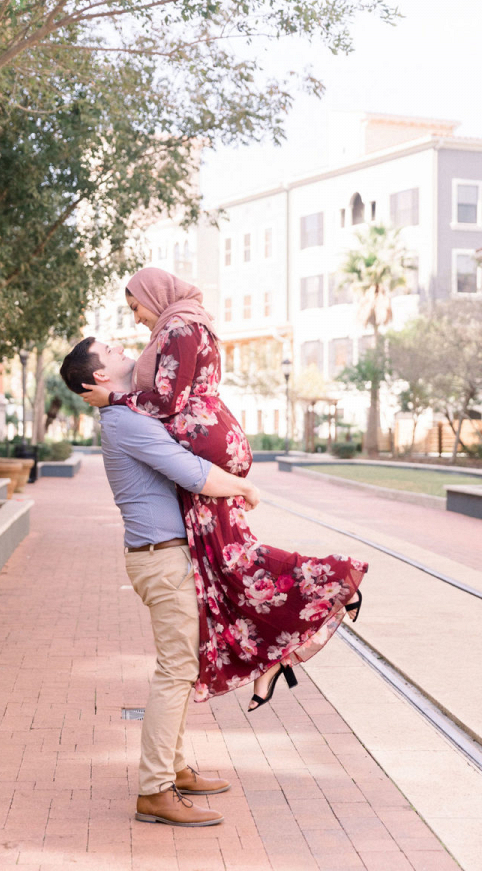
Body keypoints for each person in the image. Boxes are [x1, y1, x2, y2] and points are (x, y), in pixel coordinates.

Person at [80, 267, 366, 711]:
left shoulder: (178, 326)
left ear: (154, 294)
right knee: (222, 568)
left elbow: (165, 402)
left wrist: (113, 399)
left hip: (202, 439)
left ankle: (334, 580)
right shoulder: (185, 323)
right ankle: (271, 659)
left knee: (232, 562)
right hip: (212, 433)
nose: (136, 319)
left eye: (136, 306)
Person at [60, 337, 261, 827]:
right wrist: (243, 487)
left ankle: (174, 768)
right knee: (175, 671)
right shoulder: (125, 421)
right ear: (99, 378)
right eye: (109, 349)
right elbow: (190, 472)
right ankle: (155, 791)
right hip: (161, 560)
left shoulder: (126, 413)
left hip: (164, 557)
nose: (122, 345)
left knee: (181, 668)